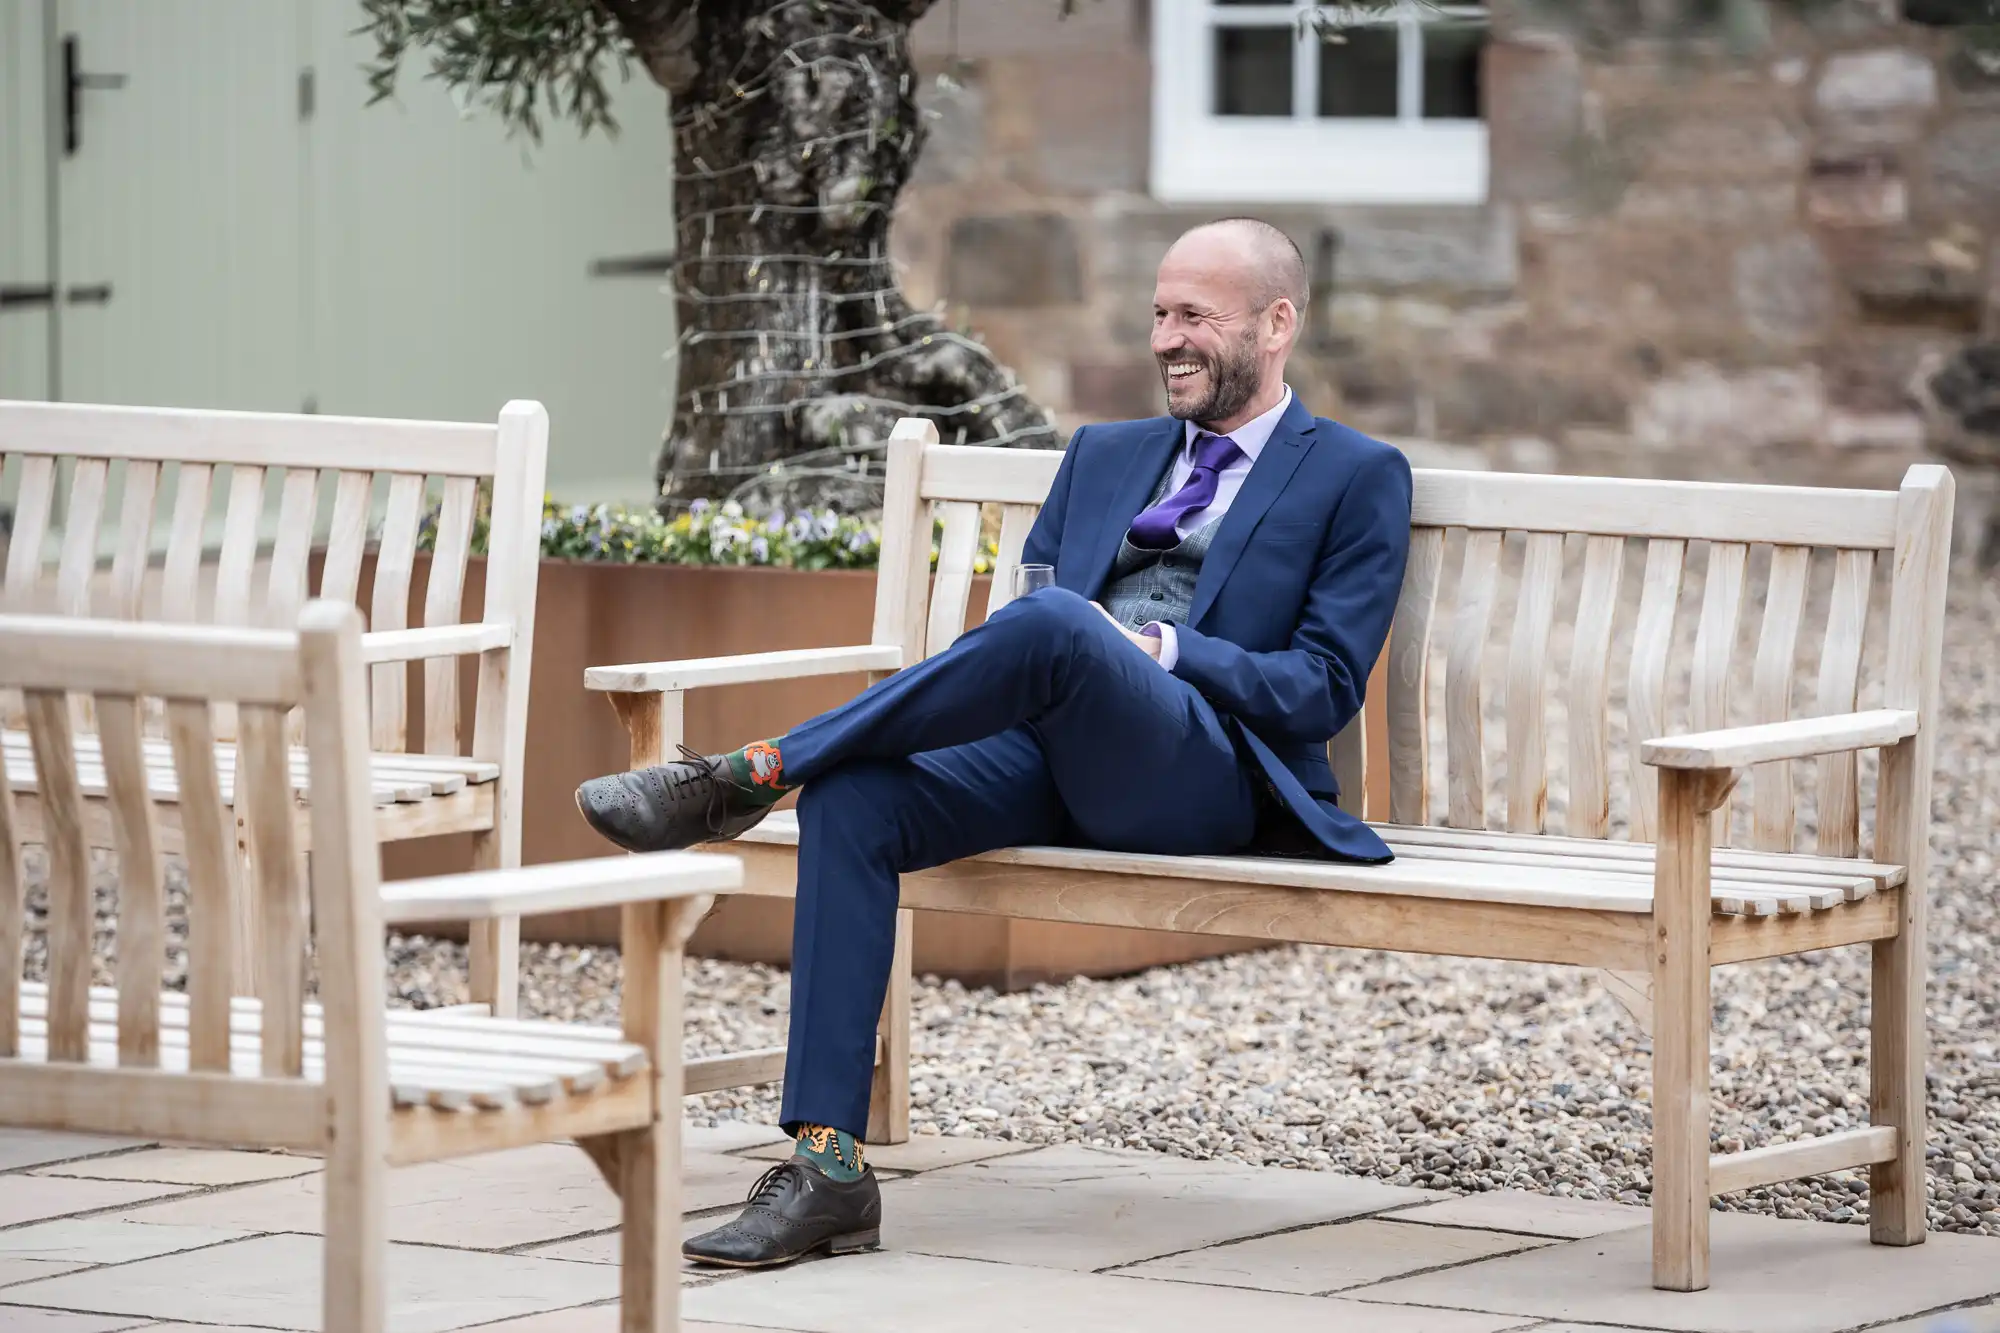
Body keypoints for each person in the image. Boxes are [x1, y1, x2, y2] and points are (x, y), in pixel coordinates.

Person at [574, 217, 1413, 1269]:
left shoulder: (1353, 473)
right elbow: (1020, 634)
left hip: (1207, 773)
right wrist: (1074, 646)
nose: (1165, 339)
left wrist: (1155, 646)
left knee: (1063, 620)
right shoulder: (1102, 454)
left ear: (1276, 323)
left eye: (1192, 315)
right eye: (1157, 314)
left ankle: (755, 769)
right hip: (1055, 751)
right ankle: (827, 1165)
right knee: (858, 798)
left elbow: (1321, 687)